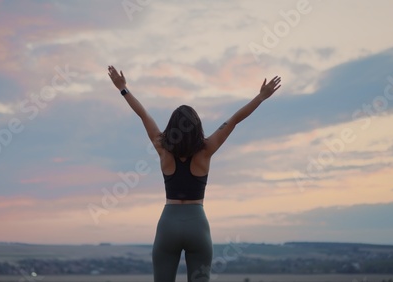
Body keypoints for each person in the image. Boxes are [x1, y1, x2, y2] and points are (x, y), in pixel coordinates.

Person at [107, 65, 281, 282]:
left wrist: (123, 88)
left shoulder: (162, 146)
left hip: (168, 224)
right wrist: (261, 97)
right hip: (197, 225)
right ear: (197, 126)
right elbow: (234, 119)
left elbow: (143, 115)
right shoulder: (207, 149)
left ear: (172, 126)